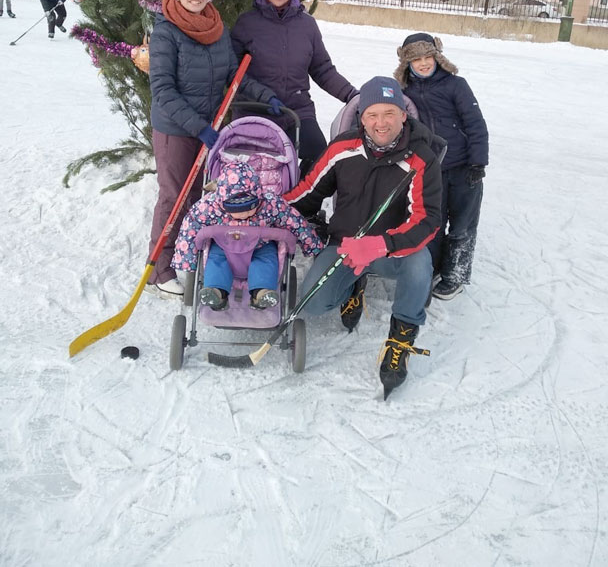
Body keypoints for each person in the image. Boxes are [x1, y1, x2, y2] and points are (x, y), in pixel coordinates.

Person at [284, 76, 442, 398]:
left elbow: (427, 219)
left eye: (388, 113)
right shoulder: (342, 148)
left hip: (390, 252)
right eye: (372, 115)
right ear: (362, 118)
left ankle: (401, 338)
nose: (380, 123)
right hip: (346, 246)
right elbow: (308, 194)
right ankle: (353, 285)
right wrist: (263, 204)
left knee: (419, 263)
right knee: (312, 306)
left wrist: (383, 244)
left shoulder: (420, 159)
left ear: (402, 115)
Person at [148, 0, 279, 297]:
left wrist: (267, 96)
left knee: (197, 197)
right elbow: (162, 91)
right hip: (175, 129)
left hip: (208, 127)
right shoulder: (166, 31)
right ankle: (160, 269)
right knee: (174, 196)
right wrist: (197, 126)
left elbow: (235, 77)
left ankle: (188, 257)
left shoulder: (216, 29)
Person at [231, 0, 357, 176]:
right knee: (260, 166)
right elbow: (233, 71)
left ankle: (302, 201)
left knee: (319, 156)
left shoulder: (306, 25)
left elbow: (323, 69)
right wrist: (263, 97)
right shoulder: (246, 23)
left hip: (297, 110)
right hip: (256, 109)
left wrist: (353, 96)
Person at [394, 33, 489, 301]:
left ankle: (455, 275)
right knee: (432, 223)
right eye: (416, 60)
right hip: (430, 169)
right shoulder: (404, 92)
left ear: (437, 58)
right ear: (407, 64)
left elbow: (475, 124)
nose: (423, 64)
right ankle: (431, 269)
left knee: (462, 224)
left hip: (463, 166)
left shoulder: (456, 85)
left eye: (428, 57)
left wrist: (478, 162)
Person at [172, 161, 324, 310]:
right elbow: (190, 225)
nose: (243, 215)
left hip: (261, 246)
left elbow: (294, 221)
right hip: (224, 246)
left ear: (258, 196)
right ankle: (216, 293)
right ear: (222, 202)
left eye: (250, 208)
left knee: (266, 262)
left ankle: (261, 293)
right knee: (216, 261)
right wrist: (186, 257)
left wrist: (310, 244)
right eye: (235, 210)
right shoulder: (210, 206)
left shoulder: (270, 204)